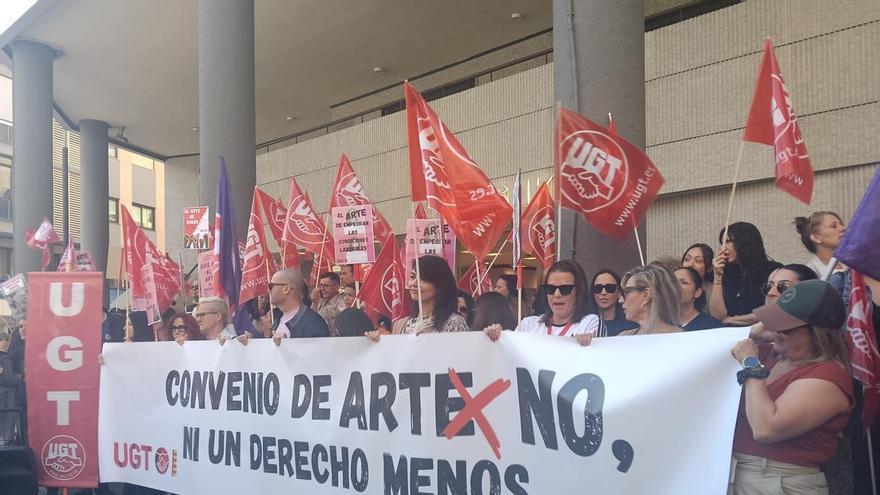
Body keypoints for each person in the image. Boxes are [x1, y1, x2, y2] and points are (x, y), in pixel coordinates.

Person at [729, 280, 853, 494]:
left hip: (781, 480)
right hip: (739, 474)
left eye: (785, 329)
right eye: (774, 324)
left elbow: (766, 428)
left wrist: (750, 363)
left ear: (817, 334)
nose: (776, 331)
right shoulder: (770, 354)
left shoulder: (830, 376)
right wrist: (752, 332)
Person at [486, 260, 598, 346]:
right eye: (550, 288)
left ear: (579, 291)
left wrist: (591, 343)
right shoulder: (528, 325)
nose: (557, 294)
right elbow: (510, 354)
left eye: (565, 289)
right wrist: (499, 337)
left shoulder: (589, 323)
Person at [367, 255, 468, 339]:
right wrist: (378, 344)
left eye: (423, 279)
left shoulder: (454, 323)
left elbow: (458, 358)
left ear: (439, 286)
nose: (414, 284)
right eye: (412, 277)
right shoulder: (401, 324)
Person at [710, 222, 783, 326]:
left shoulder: (772, 270)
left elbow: (777, 308)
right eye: (722, 243)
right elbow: (717, 315)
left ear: (745, 241)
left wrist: (734, 320)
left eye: (728, 241)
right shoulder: (724, 272)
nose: (723, 248)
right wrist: (717, 276)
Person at [270, 267, 331, 343]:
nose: (269, 290)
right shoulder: (277, 318)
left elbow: (321, 352)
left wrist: (288, 344)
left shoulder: (313, 322)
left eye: (271, 286)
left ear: (286, 289)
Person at [619, 264, 682, 335]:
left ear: (646, 295)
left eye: (626, 291)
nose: (620, 300)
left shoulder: (684, 339)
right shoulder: (622, 338)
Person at [794, 212, 847, 279]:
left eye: (841, 224)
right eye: (833, 226)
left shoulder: (852, 263)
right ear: (815, 237)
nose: (843, 228)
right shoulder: (810, 274)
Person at [591, 269, 638, 336]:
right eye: (598, 288)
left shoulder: (631, 323)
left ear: (619, 292)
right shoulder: (585, 324)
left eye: (610, 288)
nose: (603, 293)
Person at [674, 267, 723, 331]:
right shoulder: (660, 324)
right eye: (672, 281)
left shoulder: (712, 327)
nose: (675, 286)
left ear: (697, 292)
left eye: (684, 282)